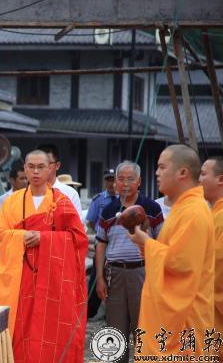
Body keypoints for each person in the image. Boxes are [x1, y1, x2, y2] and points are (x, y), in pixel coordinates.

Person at [0, 149, 87, 363]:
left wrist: (44, 239)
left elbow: (78, 239)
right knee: (20, 328)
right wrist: (22, 236)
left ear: (50, 169)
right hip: (21, 278)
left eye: (41, 167)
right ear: (25, 169)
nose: (36, 172)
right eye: (31, 167)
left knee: (50, 328)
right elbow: (1, 233)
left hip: (52, 281)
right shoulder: (11, 202)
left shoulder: (62, 202)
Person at [128, 144, 214, 358]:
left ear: (182, 172)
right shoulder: (183, 208)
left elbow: (182, 265)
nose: (157, 173)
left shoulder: (193, 212)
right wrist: (147, 246)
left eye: (162, 167)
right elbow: (172, 253)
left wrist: (148, 244)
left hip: (184, 323)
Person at [94, 161, 163, 363]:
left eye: (130, 179)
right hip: (114, 273)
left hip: (143, 272)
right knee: (115, 329)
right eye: (121, 179)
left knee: (144, 328)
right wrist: (99, 278)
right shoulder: (108, 210)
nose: (125, 184)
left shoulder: (151, 207)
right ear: (115, 182)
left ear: (139, 181)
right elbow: (100, 244)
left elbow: (162, 241)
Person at [85, 168, 117, 320]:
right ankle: (90, 310)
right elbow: (91, 222)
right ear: (104, 181)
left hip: (117, 244)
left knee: (116, 276)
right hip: (102, 244)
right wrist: (100, 234)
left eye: (113, 179)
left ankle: (113, 311)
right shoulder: (98, 200)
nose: (111, 183)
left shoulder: (123, 199)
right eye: (108, 180)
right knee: (97, 276)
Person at [199, 155, 223, 349]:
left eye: (203, 174)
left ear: (220, 179)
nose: (199, 180)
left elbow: (216, 264)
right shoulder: (211, 214)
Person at [36, 144, 83, 219]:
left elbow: (77, 223)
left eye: (48, 163)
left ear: (57, 165)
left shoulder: (70, 193)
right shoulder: (25, 194)